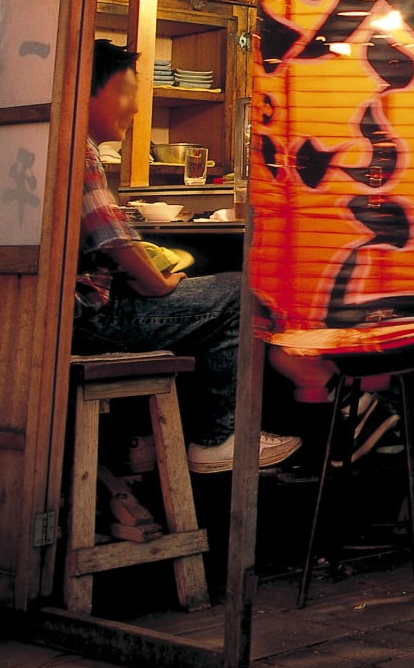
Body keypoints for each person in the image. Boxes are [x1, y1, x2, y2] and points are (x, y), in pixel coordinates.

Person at [75, 41, 299, 472]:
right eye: (126, 91)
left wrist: (149, 275)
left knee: (206, 297)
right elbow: (114, 240)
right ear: (89, 92)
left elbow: (105, 242)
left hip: (69, 316)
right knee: (238, 293)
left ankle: (138, 441)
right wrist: (160, 282)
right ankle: (218, 438)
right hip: (92, 322)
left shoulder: (52, 146)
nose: (135, 108)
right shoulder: (78, 150)